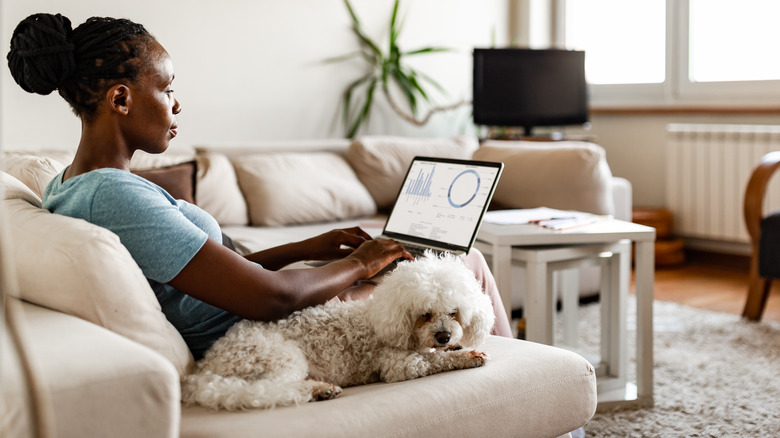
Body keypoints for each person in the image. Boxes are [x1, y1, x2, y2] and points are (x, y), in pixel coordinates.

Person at [7, 13, 512, 359]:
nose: (176, 104)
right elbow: (268, 299)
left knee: (425, 260)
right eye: (166, 88)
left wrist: (306, 247)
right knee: (462, 263)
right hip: (262, 331)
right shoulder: (113, 196)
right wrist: (362, 262)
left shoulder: (69, 185)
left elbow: (210, 276)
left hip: (247, 313)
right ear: (121, 99)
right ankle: (530, 392)